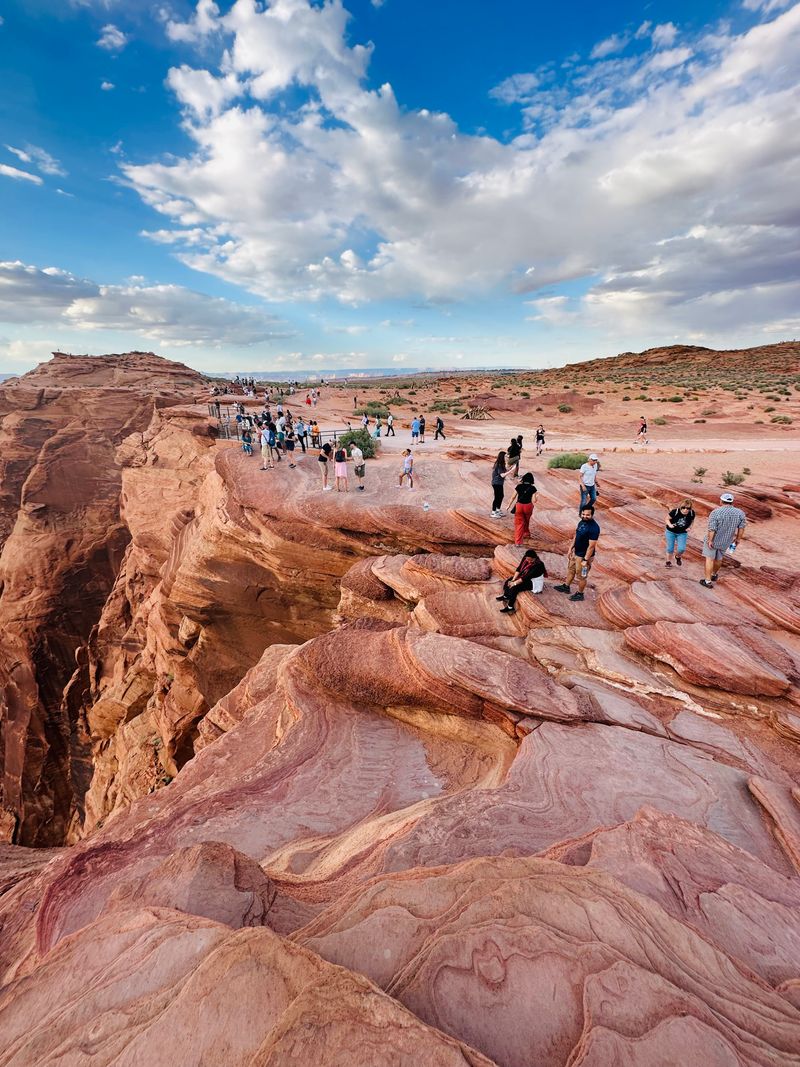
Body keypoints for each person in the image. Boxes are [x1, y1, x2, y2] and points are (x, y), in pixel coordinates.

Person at [554, 505, 600, 602]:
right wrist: (571, 548)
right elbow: (576, 535)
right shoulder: (581, 522)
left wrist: (586, 560)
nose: (585, 516)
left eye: (587, 515)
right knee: (571, 570)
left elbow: (591, 546)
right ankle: (566, 587)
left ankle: (580, 594)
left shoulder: (594, 528)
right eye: (583, 514)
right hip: (576, 553)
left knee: (581, 577)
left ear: (592, 515)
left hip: (583, 557)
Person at [699, 492, 746, 588]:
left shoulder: (716, 512)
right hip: (726, 540)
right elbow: (741, 528)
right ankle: (714, 575)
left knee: (709, 559)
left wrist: (710, 540)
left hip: (714, 540)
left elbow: (712, 528)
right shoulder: (740, 513)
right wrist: (738, 539)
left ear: (721, 501)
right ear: (732, 502)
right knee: (719, 558)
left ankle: (707, 581)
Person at [507, 472, 537, 545]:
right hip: (528, 506)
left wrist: (508, 505)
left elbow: (513, 497)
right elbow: (534, 501)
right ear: (531, 480)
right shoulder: (533, 488)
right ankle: (526, 533)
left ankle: (518, 542)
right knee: (526, 520)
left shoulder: (519, 486)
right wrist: (536, 497)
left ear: (523, 479)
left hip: (519, 506)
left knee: (519, 524)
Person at [665, 498, 695, 567]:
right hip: (671, 532)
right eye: (683, 508)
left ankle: (677, 557)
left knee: (681, 549)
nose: (685, 510)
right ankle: (668, 562)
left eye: (688, 508)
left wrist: (690, 527)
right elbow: (667, 519)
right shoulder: (675, 512)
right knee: (670, 548)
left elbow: (692, 521)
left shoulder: (691, 513)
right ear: (680, 507)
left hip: (682, 533)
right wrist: (670, 525)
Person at [490, 451, 513, 517]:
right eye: (505, 456)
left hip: (499, 483)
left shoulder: (501, 464)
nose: (507, 457)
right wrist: (510, 471)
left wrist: (510, 468)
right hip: (496, 483)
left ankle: (497, 510)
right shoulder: (499, 464)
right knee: (497, 497)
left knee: (501, 496)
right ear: (502, 456)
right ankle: (493, 512)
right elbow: (502, 475)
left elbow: (504, 470)